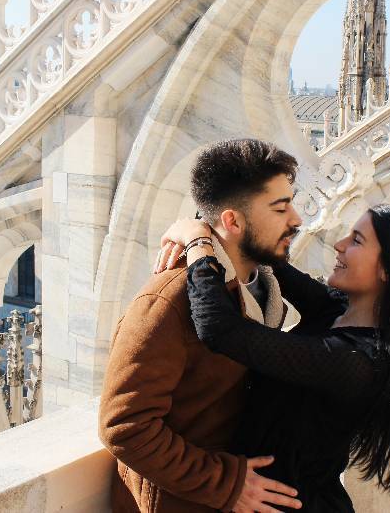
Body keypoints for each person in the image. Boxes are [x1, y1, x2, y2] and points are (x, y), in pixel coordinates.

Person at [157, 203, 390, 511]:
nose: (338, 245)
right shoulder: (340, 309)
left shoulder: (358, 361)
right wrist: (213, 220)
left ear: (387, 270)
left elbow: (219, 329)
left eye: (356, 241)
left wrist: (198, 242)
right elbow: (273, 263)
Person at [98, 139, 307, 512]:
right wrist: (226, 483)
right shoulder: (169, 300)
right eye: (280, 207)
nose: (296, 219)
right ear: (233, 221)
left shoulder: (265, 283)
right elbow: (124, 426)